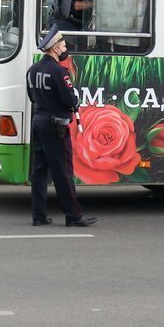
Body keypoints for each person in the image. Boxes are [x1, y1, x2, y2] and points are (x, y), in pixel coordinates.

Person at [26, 29, 97, 227]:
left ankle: (38, 215)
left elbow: (32, 97)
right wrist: (74, 100)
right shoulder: (59, 72)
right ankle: (73, 216)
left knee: (39, 171)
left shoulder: (33, 70)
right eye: (64, 46)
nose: (65, 49)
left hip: (38, 122)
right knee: (63, 172)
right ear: (56, 48)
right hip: (56, 125)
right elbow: (69, 100)